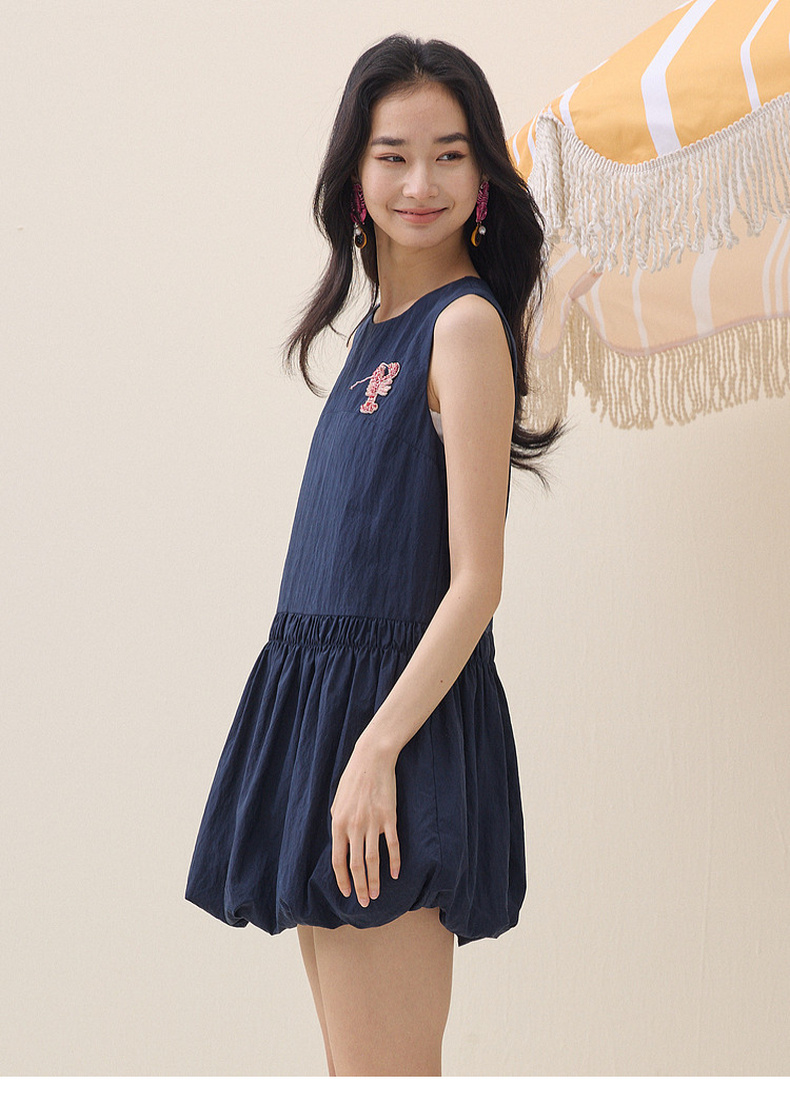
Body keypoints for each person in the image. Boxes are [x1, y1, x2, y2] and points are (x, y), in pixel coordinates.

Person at [184, 33, 566, 1077]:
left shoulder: (464, 327)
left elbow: (477, 582)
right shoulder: (375, 332)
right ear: (355, 176)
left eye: (450, 154)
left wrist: (374, 751)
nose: (420, 183)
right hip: (330, 726)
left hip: (391, 739)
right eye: (394, 155)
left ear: (483, 178)